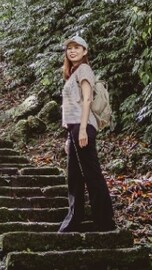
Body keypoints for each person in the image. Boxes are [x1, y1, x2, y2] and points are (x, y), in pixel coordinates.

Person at [58, 35, 116, 233]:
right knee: (74, 176)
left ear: (85, 51)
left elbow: (87, 100)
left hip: (83, 127)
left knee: (91, 173)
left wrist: (82, 129)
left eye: (77, 47)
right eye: (69, 48)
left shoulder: (84, 69)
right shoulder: (72, 73)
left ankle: (105, 221)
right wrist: (69, 136)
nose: (72, 50)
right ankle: (75, 218)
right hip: (74, 128)